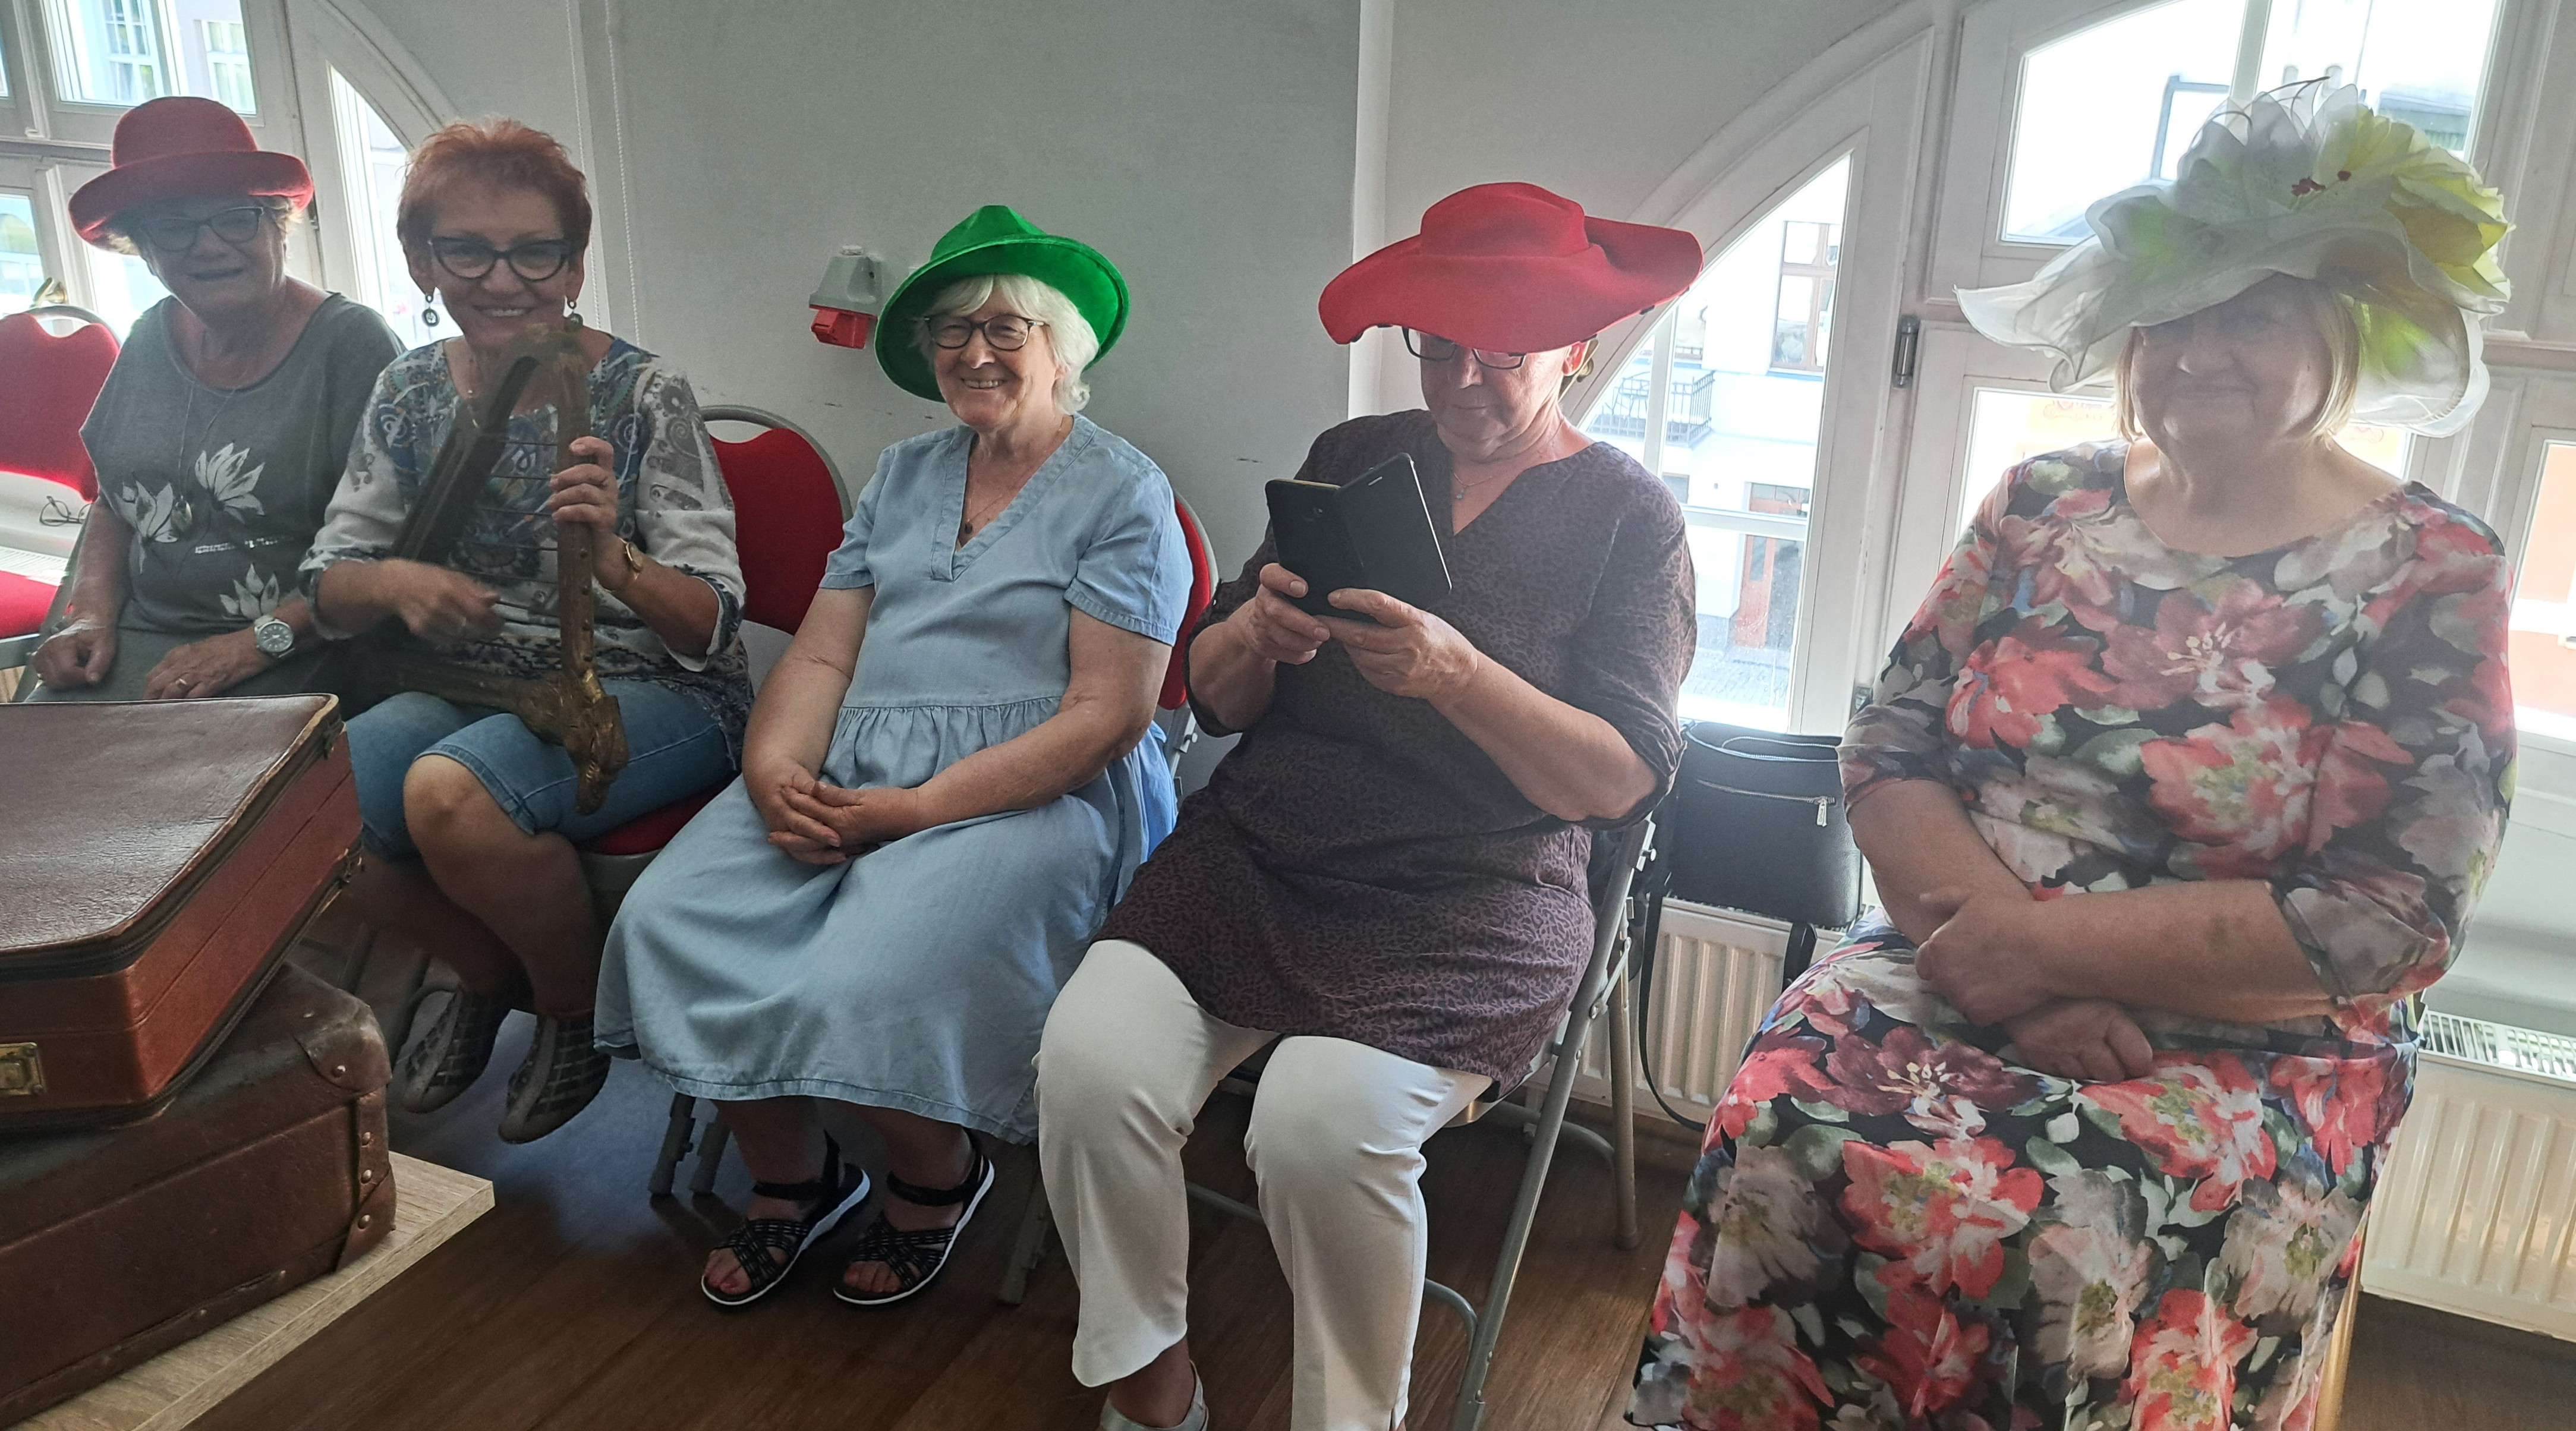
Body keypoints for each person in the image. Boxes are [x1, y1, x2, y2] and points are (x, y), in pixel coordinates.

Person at [1632, 86, 2517, 1430]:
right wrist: (2004, 970)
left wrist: (2033, 954)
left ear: (2338, 333)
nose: (2193, 352)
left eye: (2247, 315)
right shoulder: (2043, 504)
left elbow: (2388, 918)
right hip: (1950, 950)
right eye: (2166, 316)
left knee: (2058, 1225)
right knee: (1781, 1128)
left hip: (2251, 1034)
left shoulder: (2430, 569)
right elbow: (1891, 740)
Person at [1034, 182, 1702, 1431]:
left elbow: (1618, 781)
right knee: (1085, 1063)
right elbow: (1213, 696)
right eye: (1437, 348)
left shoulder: (1629, 520)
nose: (1463, 382)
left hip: (1473, 890)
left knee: (1319, 1128)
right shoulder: (1352, 459)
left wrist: (1458, 676)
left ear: (1572, 347)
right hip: (1264, 849)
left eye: (1500, 353)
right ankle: (1148, 1374)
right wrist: (1257, 633)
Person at [596, 206, 1191, 1310]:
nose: (973, 352)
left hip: (1031, 788)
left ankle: (937, 1175)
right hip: (855, 762)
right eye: (951, 330)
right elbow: (825, 652)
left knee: (868, 977)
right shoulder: (903, 472)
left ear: (1063, 346)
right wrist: (775, 772)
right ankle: (794, 1174)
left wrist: (916, 811)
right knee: (670, 921)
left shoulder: (1124, 491)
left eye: (1005, 328)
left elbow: (1107, 716)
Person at [301, 119, 750, 1143]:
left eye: (534, 252)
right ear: (421, 260)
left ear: (574, 266)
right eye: (466, 250)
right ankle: (486, 969)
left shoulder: (643, 393)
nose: (502, 280)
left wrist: (616, 561)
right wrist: (396, 581)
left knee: (448, 793)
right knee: (298, 813)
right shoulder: (408, 390)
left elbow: (713, 622)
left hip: (661, 690)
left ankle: (571, 1005)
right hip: (467, 685)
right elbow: (328, 584)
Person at [26, 97, 398, 703]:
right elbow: (114, 503)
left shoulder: (351, 344)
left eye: (235, 219)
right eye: (174, 228)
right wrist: (88, 615)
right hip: (135, 642)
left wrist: (254, 646)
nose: (208, 246)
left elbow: (391, 549)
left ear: (278, 225)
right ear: (144, 250)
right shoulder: (150, 335)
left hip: (300, 649)